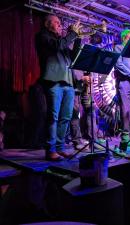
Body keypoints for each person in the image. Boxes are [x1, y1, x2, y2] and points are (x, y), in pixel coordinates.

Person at [35, 15, 82, 161]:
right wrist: (72, 34)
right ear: (47, 24)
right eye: (57, 22)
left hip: (68, 82)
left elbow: (73, 57)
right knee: (53, 117)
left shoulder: (61, 42)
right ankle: (50, 150)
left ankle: (60, 148)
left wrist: (78, 37)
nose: (60, 25)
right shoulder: (42, 36)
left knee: (66, 117)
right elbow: (56, 46)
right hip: (53, 81)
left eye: (60, 23)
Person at [114, 29, 130, 151]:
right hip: (124, 82)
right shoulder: (118, 48)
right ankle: (125, 137)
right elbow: (119, 64)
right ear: (124, 38)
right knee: (126, 110)